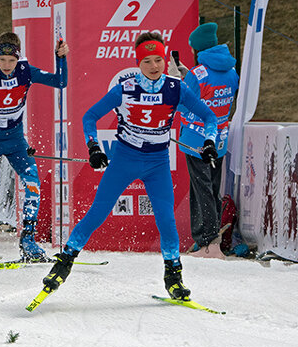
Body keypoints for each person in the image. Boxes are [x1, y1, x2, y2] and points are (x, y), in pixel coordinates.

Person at [39, 32, 219, 303]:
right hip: (125, 159)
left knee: (166, 220)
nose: (155, 66)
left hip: (157, 163)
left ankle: (173, 276)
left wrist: (208, 143)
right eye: (147, 61)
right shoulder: (125, 88)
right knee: (98, 213)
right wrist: (94, 147)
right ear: (139, 63)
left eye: (159, 59)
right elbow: (90, 116)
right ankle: (63, 264)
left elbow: (209, 117)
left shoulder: (175, 87)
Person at [0, 32, 69, 263]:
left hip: (16, 140)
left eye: (11, 61)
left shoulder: (26, 71)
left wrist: (61, 58)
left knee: (33, 184)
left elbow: (61, 82)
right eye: (2, 60)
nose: (6, 65)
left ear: (18, 58)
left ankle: (28, 239)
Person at [175, 22, 239, 258]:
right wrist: (187, 77)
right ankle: (208, 241)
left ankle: (208, 243)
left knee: (200, 189)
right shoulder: (232, 71)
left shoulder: (197, 74)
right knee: (211, 187)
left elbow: (183, 103)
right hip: (219, 138)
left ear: (198, 49)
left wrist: (181, 83)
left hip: (195, 140)